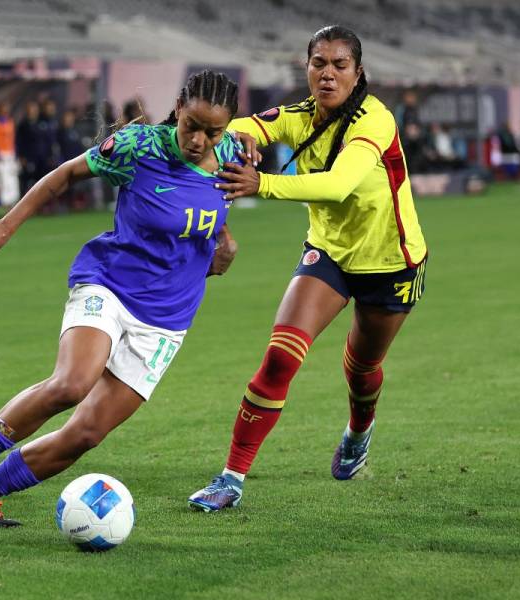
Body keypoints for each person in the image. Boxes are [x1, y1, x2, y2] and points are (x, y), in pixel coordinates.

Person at [0, 70, 243, 527]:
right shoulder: (136, 147)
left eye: (214, 131)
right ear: (179, 107)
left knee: (85, 434)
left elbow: (214, 206)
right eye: (192, 126)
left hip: (167, 319)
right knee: (71, 383)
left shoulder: (235, 156)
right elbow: (65, 174)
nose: (201, 140)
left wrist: (223, 241)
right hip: (109, 284)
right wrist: (6, 226)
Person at [187, 25, 428, 512]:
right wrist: (242, 139)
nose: (328, 73)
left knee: (362, 371)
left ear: (358, 72)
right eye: (319, 63)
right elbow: (246, 125)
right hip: (330, 255)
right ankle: (231, 477)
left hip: (391, 263)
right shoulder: (301, 116)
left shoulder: (374, 121)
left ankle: (359, 432)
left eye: (340, 65)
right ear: (307, 67)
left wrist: (263, 183)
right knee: (280, 357)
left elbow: (339, 185)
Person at [0, 102, 20, 206]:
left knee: (13, 178)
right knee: (4, 179)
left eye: (6, 109)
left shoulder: (10, 122)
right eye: (3, 109)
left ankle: (13, 201)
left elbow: (13, 138)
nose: (5, 111)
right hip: (1, 153)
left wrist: (15, 153)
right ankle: (5, 202)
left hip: (11, 153)